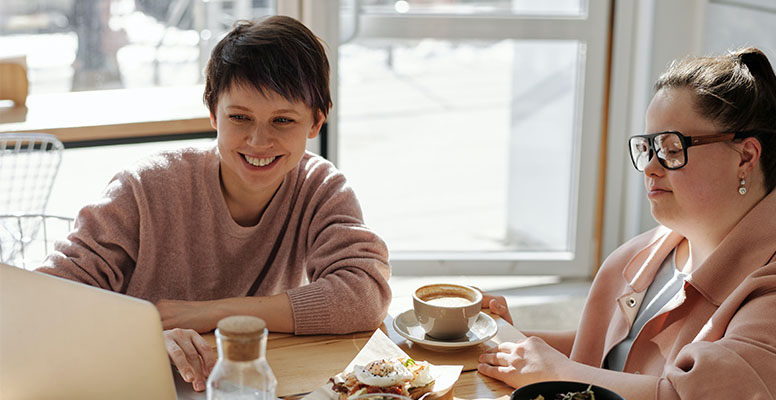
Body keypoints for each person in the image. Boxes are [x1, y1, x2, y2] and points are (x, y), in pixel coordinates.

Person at [37, 15, 392, 392]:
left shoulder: (319, 187)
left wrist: (215, 312)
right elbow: (46, 299)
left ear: (316, 122)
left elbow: (365, 293)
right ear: (212, 112)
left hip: (248, 386)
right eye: (240, 117)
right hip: (130, 382)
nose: (258, 141)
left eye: (283, 121)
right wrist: (142, 337)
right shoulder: (144, 187)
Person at [479, 47, 776, 398]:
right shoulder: (646, 254)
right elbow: (617, 356)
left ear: (746, 156)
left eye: (671, 148)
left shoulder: (768, 290)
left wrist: (559, 371)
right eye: (647, 147)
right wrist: (516, 342)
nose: (651, 166)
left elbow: (695, 393)